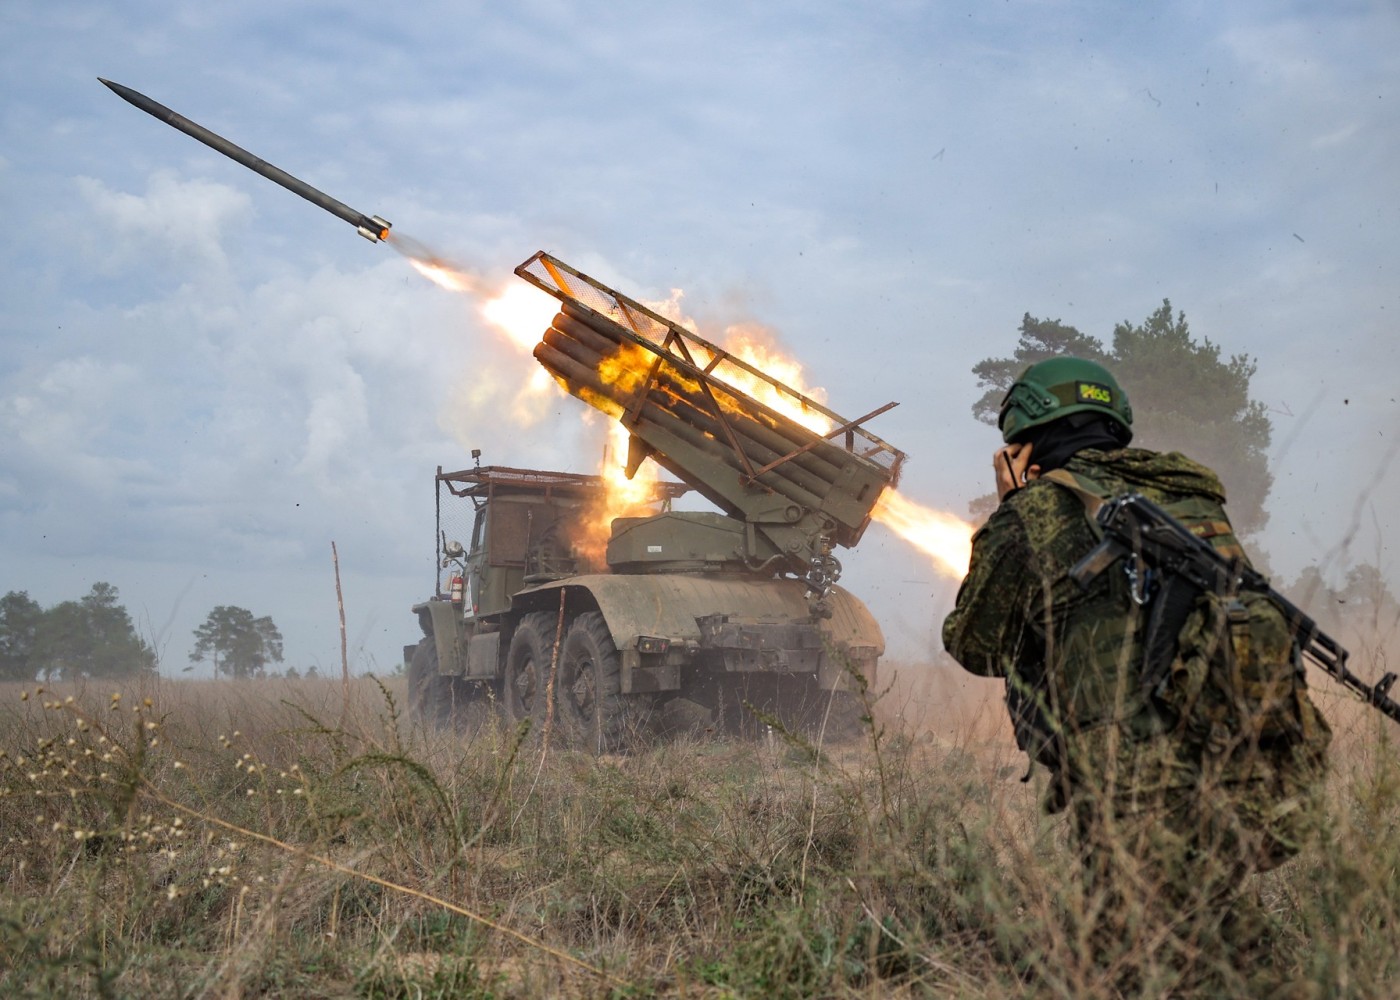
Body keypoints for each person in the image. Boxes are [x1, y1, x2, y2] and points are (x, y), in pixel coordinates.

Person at [941, 356, 1330, 983]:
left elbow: (975, 644)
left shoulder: (1035, 510)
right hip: (1228, 751)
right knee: (1204, 925)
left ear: (1032, 436)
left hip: (1131, 776)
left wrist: (1010, 508)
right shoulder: (1194, 498)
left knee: (1146, 957)